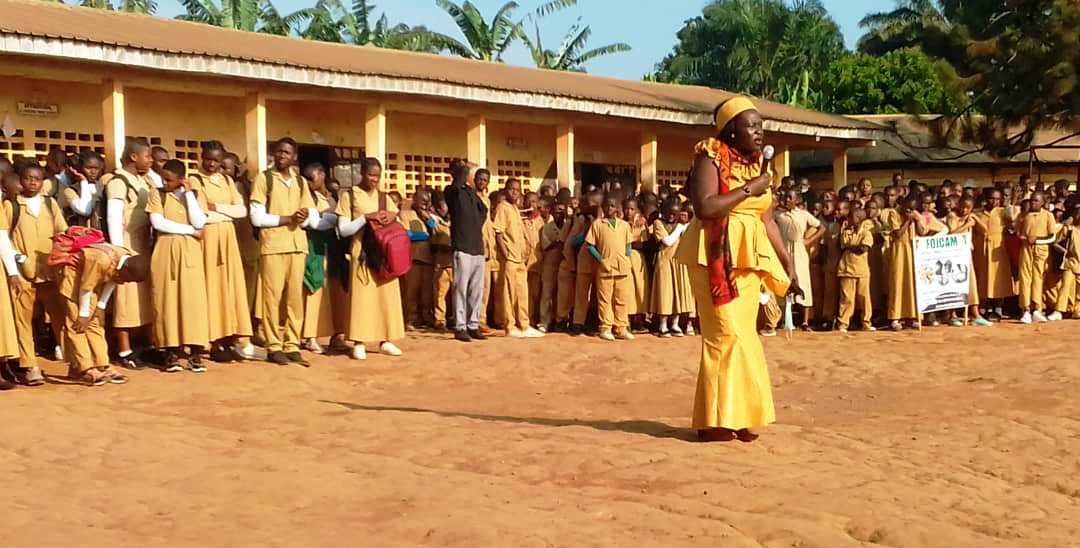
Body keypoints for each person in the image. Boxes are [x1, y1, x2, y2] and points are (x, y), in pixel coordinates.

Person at [681, 96, 795, 443]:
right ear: (732, 131)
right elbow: (705, 207)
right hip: (715, 256)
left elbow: (766, 217)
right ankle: (714, 419)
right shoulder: (710, 156)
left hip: (748, 260)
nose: (759, 132)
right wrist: (749, 189)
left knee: (745, 337)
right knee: (724, 336)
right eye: (752, 125)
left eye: (761, 126)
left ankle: (740, 415)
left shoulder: (758, 164)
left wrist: (788, 264)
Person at [249, 138, 319, 365]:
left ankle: (292, 343)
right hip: (273, 246)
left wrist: (304, 216)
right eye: (278, 152)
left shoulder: (300, 182)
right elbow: (256, 217)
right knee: (272, 297)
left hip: (297, 245)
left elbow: (312, 213)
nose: (282, 156)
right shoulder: (264, 178)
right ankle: (273, 345)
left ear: (294, 157)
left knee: (294, 298)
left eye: (287, 153)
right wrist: (287, 218)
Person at [3, 163, 68, 385]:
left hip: (50, 271)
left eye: (37, 179)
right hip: (23, 273)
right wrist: (18, 261)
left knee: (61, 316)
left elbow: (62, 232)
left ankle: (77, 361)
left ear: (43, 182)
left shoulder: (50, 204)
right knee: (24, 320)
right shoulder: (12, 206)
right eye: (28, 178)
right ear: (21, 181)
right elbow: (5, 239)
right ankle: (30, 366)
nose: (33, 182)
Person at [335, 158, 406, 360]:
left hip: (383, 254)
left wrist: (393, 217)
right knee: (362, 298)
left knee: (387, 296)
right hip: (361, 252)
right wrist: (366, 218)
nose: (374, 179)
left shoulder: (385, 198)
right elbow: (343, 229)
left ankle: (386, 340)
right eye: (370, 174)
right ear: (362, 172)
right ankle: (359, 341)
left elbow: (398, 222)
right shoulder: (349, 196)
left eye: (377, 175)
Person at [189, 141, 252, 362]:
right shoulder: (194, 180)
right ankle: (212, 340)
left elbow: (242, 210)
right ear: (202, 157)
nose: (212, 164)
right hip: (208, 239)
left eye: (216, 160)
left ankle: (230, 337)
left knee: (230, 287)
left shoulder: (227, 180)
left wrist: (219, 208)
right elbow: (201, 213)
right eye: (208, 159)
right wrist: (226, 212)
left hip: (228, 239)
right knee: (211, 288)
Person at [147, 159, 210, 373]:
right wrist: (190, 231)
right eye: (163, 178)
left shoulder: (194, 195)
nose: (164, 182)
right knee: (168, 301)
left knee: (193, 302)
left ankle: (195, 353)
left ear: (181, 180)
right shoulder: (157, 194)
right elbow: (158, 223)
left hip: (190, 253)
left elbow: (200, 222)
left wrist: (189, 195)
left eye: (169, 179)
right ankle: (171, 352)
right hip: (165, 250)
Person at [58, 243, 143, 386]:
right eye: (127, 279)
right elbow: (86, 287)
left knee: (95, 323)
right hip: (73, 279)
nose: (125, 282)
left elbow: (113, 279)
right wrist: (84, 314)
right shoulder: (100, 260)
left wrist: (100, 306)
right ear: (125, 269)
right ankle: (86, 368)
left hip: (90, 282)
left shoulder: (124, 258)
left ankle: (103, 364)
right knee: (76, 324)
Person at [103, 137, 156, 368]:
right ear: (133, 157)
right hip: (126, 245)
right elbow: (114, 217)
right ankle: (124, 350)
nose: (151, 160)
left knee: (143, 299)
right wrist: (119, 252)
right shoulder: (118, 182)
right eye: (148, 156)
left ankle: (143, 345)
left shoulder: (143, 180)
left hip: (143, 244)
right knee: (125, 299)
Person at [299, 163, 346, 354]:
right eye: (307, 179)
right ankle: (310, 336)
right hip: (315, 248)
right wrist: (327, 217)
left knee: (336, 291)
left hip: (333, 248)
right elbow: (312, 223)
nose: (310, 183)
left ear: (322, 174)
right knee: (314, 289)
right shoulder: (306, 197)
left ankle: (338, 334)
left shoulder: (333, 197)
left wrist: (328, 217)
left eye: (313, 178)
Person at [443, 160, 488, 342]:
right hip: (462, 247)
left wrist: (474, 225)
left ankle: (473, 324)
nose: (466, 173)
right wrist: (464, 168)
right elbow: (458, 181)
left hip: (477, 247)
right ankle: (460, 326)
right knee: (460, 289)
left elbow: (483, 210)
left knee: (476, 290)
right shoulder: (451, 191)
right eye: (463, 171)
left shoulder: (471, 192)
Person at [493, 179, 543, 338]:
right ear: (505, 190)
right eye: (511, 189)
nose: (515, 192)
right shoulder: (503, 207)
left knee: (522, 293)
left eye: (517, 190)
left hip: (519, 259)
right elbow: (498, 232)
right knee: (509, 293)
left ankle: (524, 324)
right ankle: (510, 325)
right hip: (510, 258)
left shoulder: (515, 209)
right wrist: (505, 253)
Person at [586, 196, 634, 341]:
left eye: (612, 205)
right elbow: (589, 245)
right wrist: (601, 260)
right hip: (605, 267)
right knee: (605, 299)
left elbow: (628, 245)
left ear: (618, 208)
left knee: (621, 299)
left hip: (622, 267)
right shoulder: (598, 224)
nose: (609, 208)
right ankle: (605, 327)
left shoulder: (624, 225)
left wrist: (627, 257)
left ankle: (620, 327)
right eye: (607, 205)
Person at [774, 188, 823, 329]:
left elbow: (821, 227)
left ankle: (805, 321)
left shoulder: (803, 215)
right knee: (784, 281)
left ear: (797, 200)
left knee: (803, 282)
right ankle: (783, 319)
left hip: (799, 251)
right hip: (784, 250)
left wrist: (809, 240)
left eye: (790, 197)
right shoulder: (779, 215)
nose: (787, 200)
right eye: (786, 197)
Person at [946, 197, 993, 327]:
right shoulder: (952, 216)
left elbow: (985, 231)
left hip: (966, 254)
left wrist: (975, 219)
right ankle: (952, 314)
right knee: (953, 284)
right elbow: (951, 234)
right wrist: (966, 225)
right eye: (963, 206)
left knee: (971, 284)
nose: (964, 210)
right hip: (953, 255)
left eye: (968, 208)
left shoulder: (970, 217)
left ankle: (975, 314)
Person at [886, 197, 931, 330]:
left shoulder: (917, 215)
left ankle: (914, 316)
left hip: (914, 252)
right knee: (898, 283)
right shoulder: (894, 214)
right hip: (899, 251)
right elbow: (898, 234)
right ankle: (895, 317)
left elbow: (923, 232)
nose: (909, 211)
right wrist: (908, 220)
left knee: (913, 284)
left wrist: (917, 220)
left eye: (912, 209)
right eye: (907, 208)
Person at [1017, 191, 1058, 324]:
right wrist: (1022, 237)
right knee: (1025, 279)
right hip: (1026, 250)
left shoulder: (1048, 216)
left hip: (1041, 251)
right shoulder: (1024, 216)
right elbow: (1018, 231)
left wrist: (1036, 240)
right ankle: (1026, 309)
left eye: (1036, 201)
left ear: (1042, 202)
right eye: (1032, 200)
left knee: (1038, 278)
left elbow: (1052, 237)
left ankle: (1037, 308)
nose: (1033, 203)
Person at [400, 188, 437, 330]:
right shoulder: (405, 213)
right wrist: (426, 236)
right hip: (413, 258)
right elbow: (407, 234)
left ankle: (427, 318)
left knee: (427, 292)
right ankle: (411, 319)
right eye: (422, 201)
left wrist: (427, 218)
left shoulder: (429, 215)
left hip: (428, 259)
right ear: (414, 200)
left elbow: (436, 229)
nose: (424, 204)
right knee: (412, 291)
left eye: (427, 201)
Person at [651, 196, 688, 337]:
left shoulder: (682, 226)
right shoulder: (658, 223)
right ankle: (662, 325)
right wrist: (679, 227)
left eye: (675, 213)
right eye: (669, 212)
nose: (672, 216)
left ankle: (675, 324)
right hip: (664, 261)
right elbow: (667, 241)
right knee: (664, 292)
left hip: (678, 262)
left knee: (677, 292)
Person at [569, 190, 603, 335]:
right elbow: (573, 242)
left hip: (601, 262)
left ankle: (597, 321)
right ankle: (578, 322)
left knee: (600, 294)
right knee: (582, 293)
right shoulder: (581, 220)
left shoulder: (606, 222)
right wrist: (586, 232)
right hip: (585, 260)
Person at [835, 207, 873, 332]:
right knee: (847, 299)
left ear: (857, 219)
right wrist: (851, 246)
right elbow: (842, 245)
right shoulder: (846, 232)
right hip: (846, 269)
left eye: (850, 217)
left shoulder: (866, 233)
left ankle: (866, 322)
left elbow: (863, 248)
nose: (848, 220)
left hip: (862, 271)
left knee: (864, 298)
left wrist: (849, 247)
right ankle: (843, 323)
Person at [537, 197, 565, 332]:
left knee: (561, 294)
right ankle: (544, 321)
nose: (560, 214)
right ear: (552, 213)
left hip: (564, 265)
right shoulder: (546, 228)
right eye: (557, 212)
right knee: (547, 294)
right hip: (550, 265)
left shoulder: (568, 226)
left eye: (562, 212)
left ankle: (559, 320)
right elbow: (545, 246)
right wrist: (558, 242)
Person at [1048, 205, 1080, 321]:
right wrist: (1064, 251)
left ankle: (1076, 310)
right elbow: (1055, 242)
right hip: (1070, 263)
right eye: (1077, 213)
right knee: (1065, 286)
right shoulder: (1069, 229)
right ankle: (1058, 310)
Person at [623, 197, 651, 331]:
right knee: (627, 289)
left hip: (637, 258)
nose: (629, 212)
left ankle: (638, 319)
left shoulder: (641, 224)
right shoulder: (621, 223)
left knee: (639, 288)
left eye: (632, 209)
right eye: (626, 209)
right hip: (624, 258)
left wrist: (629, 242)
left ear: (637, 210)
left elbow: (641, 243)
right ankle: (626, 319)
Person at [59, 150, 104, 228]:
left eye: (96, 168)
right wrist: (83, 181)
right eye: (88, 168)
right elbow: (85, 210)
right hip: (82, 236)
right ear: (79, 168)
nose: (93, 172)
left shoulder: (103, 187)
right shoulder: (70, 191)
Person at [430, 194, 454, 331]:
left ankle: (455, 318)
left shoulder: (457, 223)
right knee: (440, 293)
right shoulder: (436, 223)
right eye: (443, 207)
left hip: (455, 265)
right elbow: (433, 244)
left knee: (457, 294)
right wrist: (447, 247)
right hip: (441, 264)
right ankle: (440, 320)